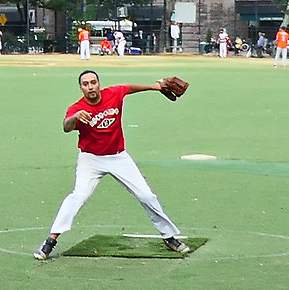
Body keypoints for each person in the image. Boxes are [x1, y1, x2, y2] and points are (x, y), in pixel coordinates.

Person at [34, 69, 189, 261]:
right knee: (78, 196)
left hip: (118, 157)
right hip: (90, 159)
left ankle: (168, 237)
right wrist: (74, 119)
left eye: (93, 82)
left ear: (99, 83)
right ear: (81, 87)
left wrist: (155, 87)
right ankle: (50, 241)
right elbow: (66, 126)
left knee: (146, 195)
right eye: (85, 84)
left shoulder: (113, 94)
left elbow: (129, 88)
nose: (90, 87)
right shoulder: (77, 108)